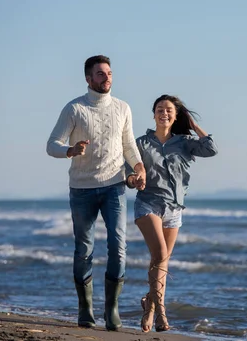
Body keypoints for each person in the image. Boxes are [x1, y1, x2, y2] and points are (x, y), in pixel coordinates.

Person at [46, 55, 146, 331]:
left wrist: (139, 167)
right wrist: (69, 150)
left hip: (114, 186)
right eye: (100, 74)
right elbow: (51, 144)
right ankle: (85, 308)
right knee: (84, 250)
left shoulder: (123, 108)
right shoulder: (74, 109)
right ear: (88, 78)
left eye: (109, 73)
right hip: (81, 189)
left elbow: (128, 145)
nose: (107, 78)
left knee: (119, 247)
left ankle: (111, 309)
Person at [126, 94, 218, 333]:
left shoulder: (185, 142)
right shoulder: (141, 143)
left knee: (162, 262)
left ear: (176, 116)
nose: (164, 113)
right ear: (153, 114)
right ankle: (161, 313)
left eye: (169, 110)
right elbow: (127, 172)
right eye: (159, 109)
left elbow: (211, 149)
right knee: (161, 254)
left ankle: (150, 306)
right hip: (148, 204)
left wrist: (193, 124)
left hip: (175, 209)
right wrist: (134, 179)